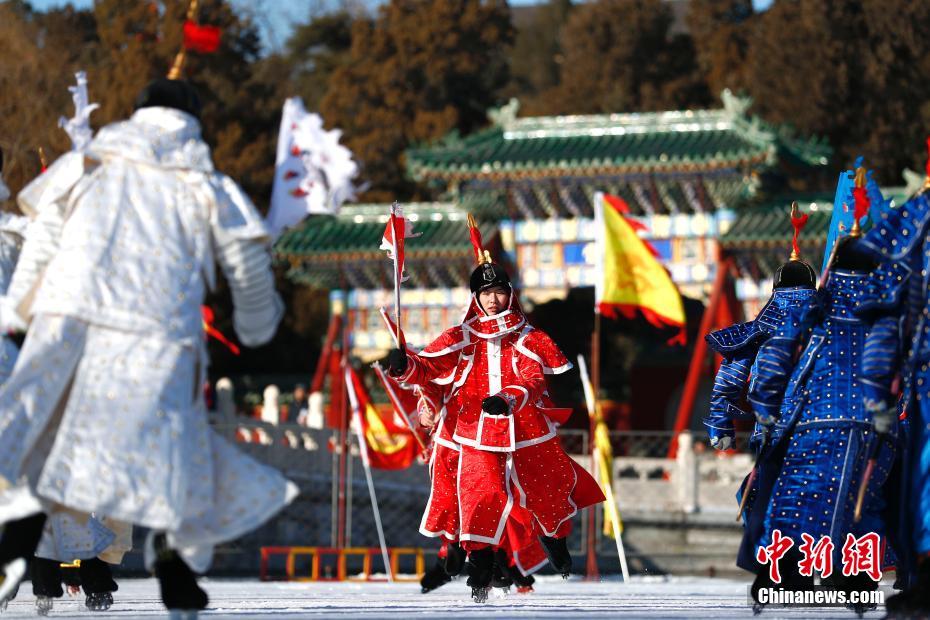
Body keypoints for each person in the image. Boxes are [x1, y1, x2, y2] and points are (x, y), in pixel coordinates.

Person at [0, 77, 297, 616]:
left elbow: (44, 236)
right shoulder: (202, 178)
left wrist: (19, 309)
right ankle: (175, 564)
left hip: (72, 326)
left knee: (46, 448)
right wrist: (257, 323)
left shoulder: (87, 163)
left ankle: (14, 549)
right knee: (171, 457)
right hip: (158, 336)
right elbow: (247, 260)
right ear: (193, 121)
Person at [386, 223, 604, 602]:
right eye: (485, 293)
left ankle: (554, 540)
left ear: (510, 294)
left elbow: (533, 379)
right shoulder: (460, 337)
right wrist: (404, 365)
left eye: (499, 291)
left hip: (527, 428)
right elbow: (429, 370)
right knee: (478, 494)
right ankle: (480, 563)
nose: (492, 299)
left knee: (547, 492)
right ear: (475, 297)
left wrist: (508, 397)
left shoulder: (529, 337)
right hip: (474, 431)